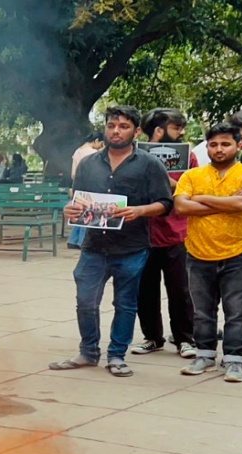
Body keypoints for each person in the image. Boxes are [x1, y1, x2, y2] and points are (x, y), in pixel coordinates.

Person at [50, 106, 173, 377]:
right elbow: (78, 199)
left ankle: (117, 355)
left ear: (137, 131)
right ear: (105, 128)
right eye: (112, 125)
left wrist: (140, 211)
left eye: (124, 126)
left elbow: (166, 203)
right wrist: (69, 209)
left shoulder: (150, 164)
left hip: (132, 247)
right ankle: (88, 351)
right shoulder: (88, 163)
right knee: (85, 301)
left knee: (126, 303)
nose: (116, 131)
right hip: (94, 246)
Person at [172, 123, 242, 383]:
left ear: (239, 145)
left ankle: (234, 360)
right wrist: (228, 204)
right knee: (202, 311)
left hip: (239, 252)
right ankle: (204, 355)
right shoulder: (192, 176)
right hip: (198, 252)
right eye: (214, 144)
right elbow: (181, 207)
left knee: (237, 311)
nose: (219, 149)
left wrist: (201, 199)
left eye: (225, 144)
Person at [131, 108, 197, 360]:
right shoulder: (134, 156)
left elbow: (189, 189)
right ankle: (152, 337)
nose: (181, 132)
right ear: (157, 130)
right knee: (145, 290)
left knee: (180, 290)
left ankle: (184, 338)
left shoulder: (188, 157)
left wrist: (163, 176)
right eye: (175, 127)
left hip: (176, 233)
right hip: (143, 233)